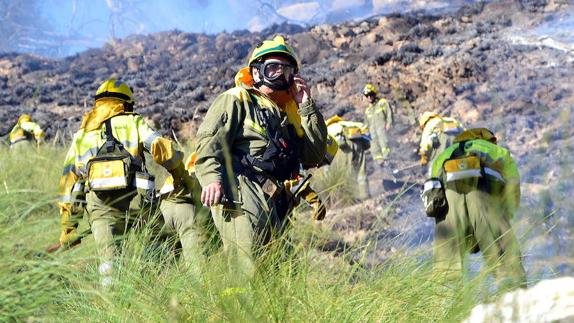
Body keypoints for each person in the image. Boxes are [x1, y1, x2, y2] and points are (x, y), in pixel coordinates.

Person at [194, 35, 328, 278]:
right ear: (256, 73)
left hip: (276, 202)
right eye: (272, 68)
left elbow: (314, 155)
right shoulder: (237, 99)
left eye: (286, 69)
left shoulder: (289, 113)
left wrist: (306, 106)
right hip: (240, 193)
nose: (279, 74)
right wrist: (211, 179)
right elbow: (208, 142)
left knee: (285, 274)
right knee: (247, 269)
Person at [57, 78, 194, 286]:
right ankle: (156, 290)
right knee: (158, 250)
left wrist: (68, 228)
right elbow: (161, 148)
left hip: (101, 207)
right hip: (138, 203)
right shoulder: (133, 122)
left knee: (109, 265)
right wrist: (179, 175)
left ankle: (114, 306)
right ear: (126, 104)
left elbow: (69, 184)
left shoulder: (81, 136)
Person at [422, 128, 526, 289]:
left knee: (446, 270)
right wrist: (506, 216)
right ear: (488, 138)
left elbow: (433, 192)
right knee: (506, 263)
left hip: (449, 209)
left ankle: (444, 307)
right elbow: (513, 189)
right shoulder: (498, 151)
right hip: (484, 200)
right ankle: (516, 301)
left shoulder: (444, 154)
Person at [158, 152, 218, 274]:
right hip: (187, 210)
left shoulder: (183, 167)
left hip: (163, 209)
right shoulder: (207, 167)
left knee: (164, 265)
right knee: (197, 265)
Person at [326, 115, 371, 200]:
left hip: (344, 147)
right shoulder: (347, 124)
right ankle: (365, 196)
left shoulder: (329, 128)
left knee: (346, 172)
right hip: (358, 143)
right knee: (361, 171)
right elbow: (364, 128)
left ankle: (351, 198)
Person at [361, 83, 393, 165]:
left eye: (371, 94)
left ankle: (388, 160)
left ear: (374, 94)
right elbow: (366, 124)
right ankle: (380, 164)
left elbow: (389, 114)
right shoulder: (367, 110)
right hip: (373, 135)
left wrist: (389, 123)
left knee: (384, 144)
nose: (369, 97)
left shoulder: (382, 103)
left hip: (383, 131)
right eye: (366, 95)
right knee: (374, 148)